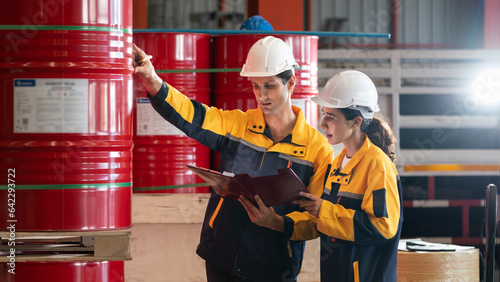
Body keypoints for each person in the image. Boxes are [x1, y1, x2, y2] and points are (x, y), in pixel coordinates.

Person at [133, 36, 334, 282]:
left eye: (270, 86)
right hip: (221, 259)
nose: (262, 96)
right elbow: (192, 115)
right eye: (256, 86)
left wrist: (278, 222)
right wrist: (153, 80)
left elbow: (316, 217)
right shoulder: (237, 125)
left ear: (291, 83)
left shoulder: (317, 149)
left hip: (272, 269)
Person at [239, 70, 403, 281]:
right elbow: (325, 220)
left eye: (331, 117)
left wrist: (323, 210)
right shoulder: (337, 164)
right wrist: (278, 220)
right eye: (324, 114)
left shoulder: (377, 166)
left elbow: (383, 227)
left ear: (356, 122)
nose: (323, 123)